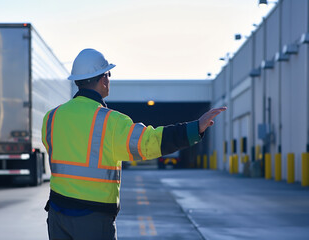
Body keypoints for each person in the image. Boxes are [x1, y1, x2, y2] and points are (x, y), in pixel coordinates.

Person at [42, 48, 226, 240]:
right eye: (108, 74)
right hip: (92, 218)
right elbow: (149, 142)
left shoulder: (51, 117)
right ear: (103, 79)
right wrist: (195, 128)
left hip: (57, 214)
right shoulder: (111, 122)